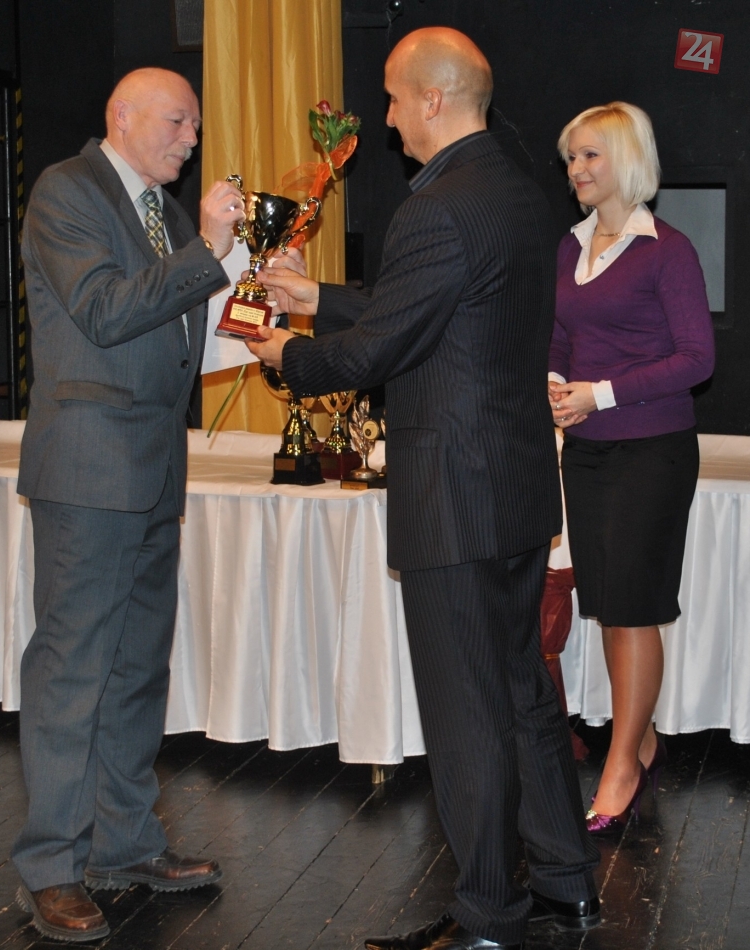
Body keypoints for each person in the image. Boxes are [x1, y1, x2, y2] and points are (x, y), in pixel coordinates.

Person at [248, 27, 600, 950]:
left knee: (467, 712)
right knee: (521, 692)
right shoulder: (515, 191)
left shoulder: (436, 207)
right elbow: (436, 305)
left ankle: (488, 915)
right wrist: (318, 298)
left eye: (396, 99)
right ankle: (566, 884)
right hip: (513, 487)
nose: (390, 118)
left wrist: (288, 354)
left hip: (453, 495)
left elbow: (376, 352)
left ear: (433, 100)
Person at [12, 67, 245, 942]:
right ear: (122, 115)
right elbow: (106, 311)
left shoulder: (166, 214)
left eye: (195, 124)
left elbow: (181, 332)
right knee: (73, 670)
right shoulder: (67, 191)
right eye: (178, 121)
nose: (192, 138)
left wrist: (249, 292)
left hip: (152, 471)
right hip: (90, 472)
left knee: (138, 670)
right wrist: (208, 251)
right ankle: (51, 868)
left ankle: (124, 845)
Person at [549, 103, 715, 834]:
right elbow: (560, 335)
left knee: (634, 607)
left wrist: (601, 393)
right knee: (610, 604)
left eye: (591, 155)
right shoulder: (570, 246)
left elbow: (697, 359)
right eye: (571, 157)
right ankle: (638, 740)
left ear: (628, 159)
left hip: (653, 450)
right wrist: (557, 383)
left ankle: (621, 767)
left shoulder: (667, 250)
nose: (576, 169)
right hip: (587, 450)